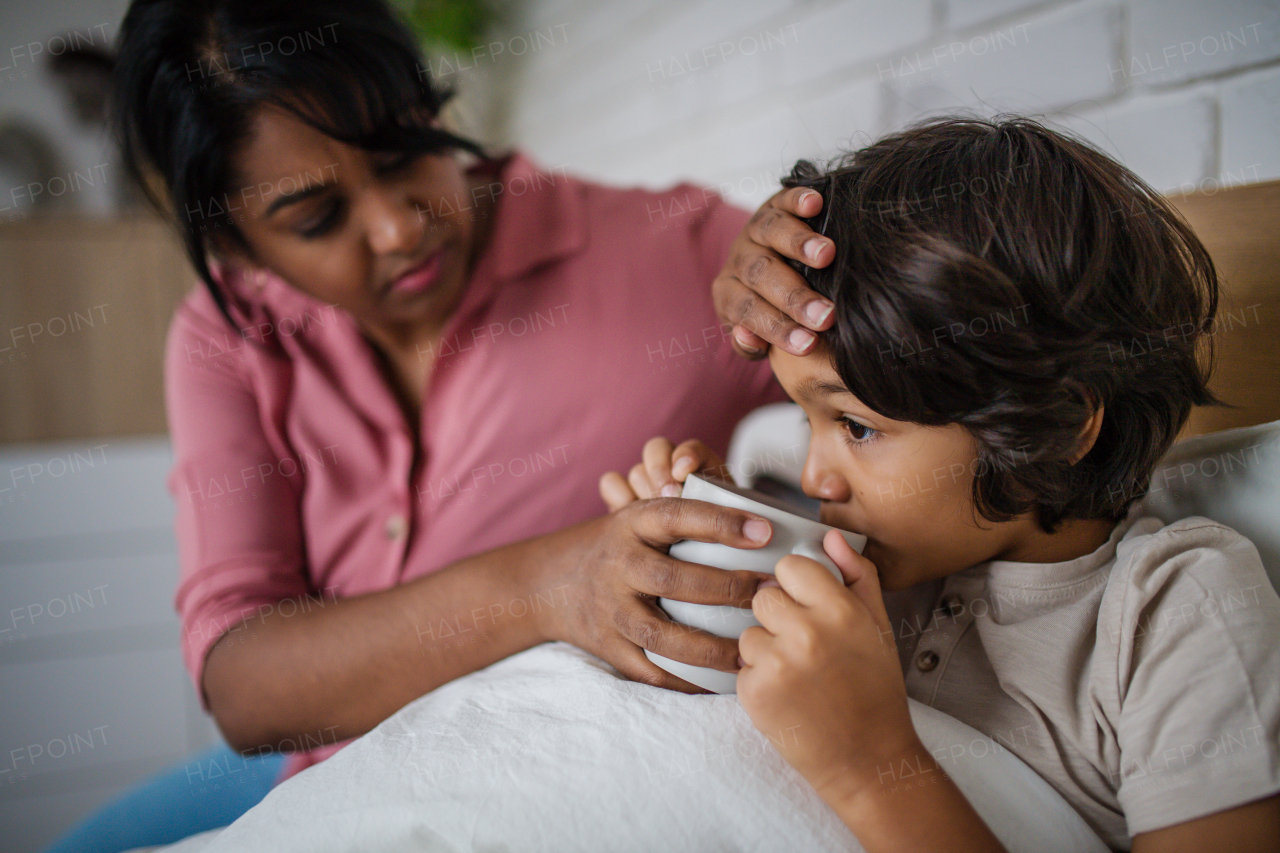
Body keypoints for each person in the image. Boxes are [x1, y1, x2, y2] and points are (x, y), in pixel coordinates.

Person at [43, 0, 842, 850]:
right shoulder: (225, 334)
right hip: (318, 788)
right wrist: (554, 581)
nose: (397, 228)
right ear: (238, 248)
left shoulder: (673, 255)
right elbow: (247, 686)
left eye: (404, 154)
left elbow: (897, 370)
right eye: (316, 219)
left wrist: (794, 277)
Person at [608, 116, 1280, 851]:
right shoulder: (865, 564)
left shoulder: (1172, 617)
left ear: (1054, 426)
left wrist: (873, 768)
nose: (813, 475)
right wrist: (686, 569)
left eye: (856, 426)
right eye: (809, 422)